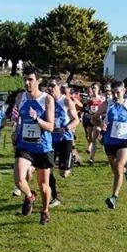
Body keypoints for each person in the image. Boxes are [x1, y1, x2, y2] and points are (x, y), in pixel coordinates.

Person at [13, 67, 55, 224]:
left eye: (30, 79)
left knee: (44, 185)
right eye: (25, 79)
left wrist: (37, 118)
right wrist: (16, 130)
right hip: (25, 145)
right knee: (18, 179)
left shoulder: (47, 99)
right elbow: (18, 118)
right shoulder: (20, 97)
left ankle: (44, 211)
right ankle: (30, 196)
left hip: (43, 147)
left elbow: (51, 126)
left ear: (38, 81)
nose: (27, 82)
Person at [92, 80, 127, 209]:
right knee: (116, 170)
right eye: (113, 93)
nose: (115, 95)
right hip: (109, 140)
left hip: (125, 140)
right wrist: (99, 124)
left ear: (124, 91)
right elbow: (94, 117)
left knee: (119, 166)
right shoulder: (106, 104)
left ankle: (113, 197)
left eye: (118, 92)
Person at [47, 76, 79, 208]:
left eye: (53, 85)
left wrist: (65, 128)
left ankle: (72, 157)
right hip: (50, 139)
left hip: (65, 138)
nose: (50, 88)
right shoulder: (46, 101)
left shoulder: (66, 101)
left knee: (64, 174)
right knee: (47, 169)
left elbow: (76, 120)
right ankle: (55, 197)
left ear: (59, 87)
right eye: (48, 85)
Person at [82, 82, 105, 165]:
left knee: (95, 137)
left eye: (95, 88)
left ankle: (92, 157)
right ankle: (91, 157)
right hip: (90, 120)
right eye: (93, 88)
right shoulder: (89, 99)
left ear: (98, 89)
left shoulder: (102, 99)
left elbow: (105, 110)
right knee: (91, 138)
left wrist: (101, 114)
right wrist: (88, 112)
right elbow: (85, 109)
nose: (94, 90)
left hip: (99, 121)